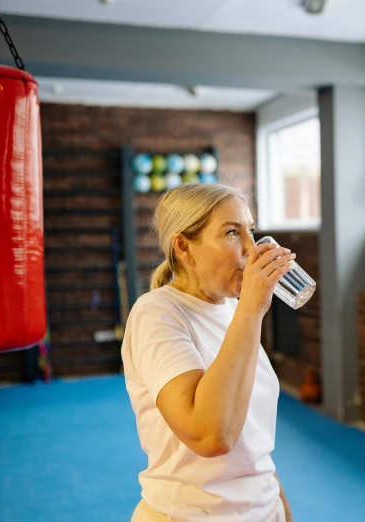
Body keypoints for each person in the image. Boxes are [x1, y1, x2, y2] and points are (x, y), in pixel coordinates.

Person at [121, 183, 295, 522]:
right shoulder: (157, 314)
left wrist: (280, 508)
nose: (250, 249)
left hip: (263, 510)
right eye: (231, 233)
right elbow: (211, 434)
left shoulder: (234, 309)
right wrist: (252, 309)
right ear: (185, 247)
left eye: (251, 231)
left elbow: (253, 439)